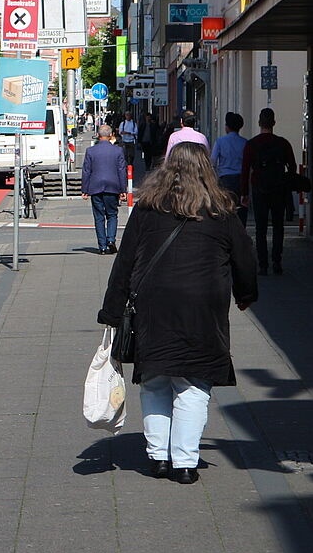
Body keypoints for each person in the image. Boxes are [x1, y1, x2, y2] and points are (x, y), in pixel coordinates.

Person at [98, 143, 258, 485]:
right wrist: (246, 295)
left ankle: (158, 457)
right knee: (193, 384)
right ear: (207, 170)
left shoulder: (148, 207)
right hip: (202, 308)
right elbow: (244, 257)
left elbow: (125, 261)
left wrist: (112, 310)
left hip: (153, 305)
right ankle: (184, 462)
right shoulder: (221, 210)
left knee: (155, 379)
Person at [241, 107, 297, 275]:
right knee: (278, 226)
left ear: (259, 123)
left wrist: (244, 193)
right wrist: (287, 182)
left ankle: (263, 264)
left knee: (261, 228)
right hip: (278, 189)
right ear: (274, 123)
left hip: (259, 189)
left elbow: (245, 170)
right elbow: (292, 166)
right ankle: (277, 262)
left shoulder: (251, 144)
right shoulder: (283, 143)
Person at [81, 125, 128, 254]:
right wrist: (123, 190)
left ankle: (102, 246)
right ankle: (111, 239)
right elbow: (122, 171)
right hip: (112, 186)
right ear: (111, 135)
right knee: (112, 215)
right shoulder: (118, 151)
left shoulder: (90, 151)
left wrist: (85, 189)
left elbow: (86, 171)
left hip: (95, 187)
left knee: (99, 217)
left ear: (98, 135)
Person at [210, 112, 249, 225]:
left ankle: (227, 230)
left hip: (225, 179)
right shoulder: (245, 142)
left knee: (226, 208)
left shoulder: (220, 141)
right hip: (241, 180)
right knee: (241, 209)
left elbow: (213, 161)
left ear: (227, 127)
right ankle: (241, 229)